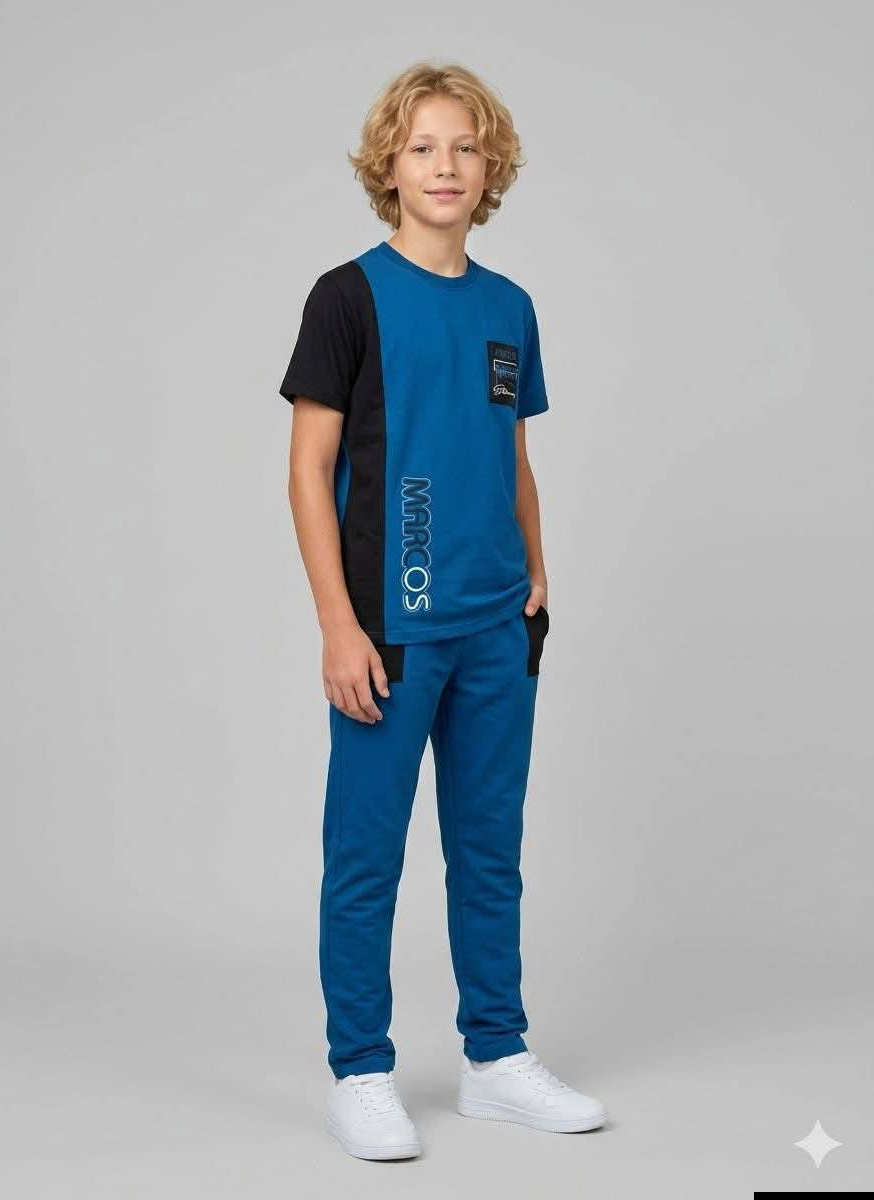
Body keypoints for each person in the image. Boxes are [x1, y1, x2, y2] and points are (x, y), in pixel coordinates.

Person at [279, 61, 607, 1160]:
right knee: (365, 859)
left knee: (489, 852)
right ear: (389, 165)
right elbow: (307, 469)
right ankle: (360, 1071)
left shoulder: (510, 309)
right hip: (391, 628)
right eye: (422, 147)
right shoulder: (347, 297)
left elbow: (513, 456)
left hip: (495, 628)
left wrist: (537, 575)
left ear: (491, 165)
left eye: (465, 146)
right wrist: (338, 624)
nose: (445, 166)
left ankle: (496, 1058)